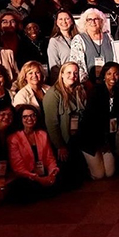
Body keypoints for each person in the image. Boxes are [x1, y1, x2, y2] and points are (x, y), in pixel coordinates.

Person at [42, 61, 86, 189]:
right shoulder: (53, 94)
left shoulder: (80, 90)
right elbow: (52, 123)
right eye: (69, 72)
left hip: (77, 137)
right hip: (63, 140)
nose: (72, 76)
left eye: (75, 73)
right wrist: (60, 145)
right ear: (61, 74)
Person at [7, 104, 60, 201]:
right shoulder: (14, 138)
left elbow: (49, 158)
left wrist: (52, 174)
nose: (30, 119)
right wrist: (39, 179)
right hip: (27, 176)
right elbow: (18, 168)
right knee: (24, 187)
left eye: (32, 115)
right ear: (20, 119)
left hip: (43, 173)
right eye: (25, 117)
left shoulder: (42, 134)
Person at [78, 64, 119, 180]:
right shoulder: (96, 91)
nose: (113, 77)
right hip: (91, 137)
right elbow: (91, 120)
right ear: (104, 76)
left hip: (108, 137)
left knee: (109, 173)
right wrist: (102, 142)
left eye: (116, 74)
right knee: (99, 175)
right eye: (109, 74)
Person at [69, 9, 114, 85]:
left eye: (96, 19)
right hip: (89, 84)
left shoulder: (108, 37)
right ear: (85, 23)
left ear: (101, 21)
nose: (93, 22)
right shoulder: (79, 39)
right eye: (89, 19)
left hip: (109, 82)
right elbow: (77, 64)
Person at [47, 10, 77, 84]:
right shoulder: (54, 41)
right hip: (64, 81)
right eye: (60, 19)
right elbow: (53, 67)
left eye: (67, 18)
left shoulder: (78, 38)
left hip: (78, 77)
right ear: (56, 22)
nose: (64, 21)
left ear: (72, 21)